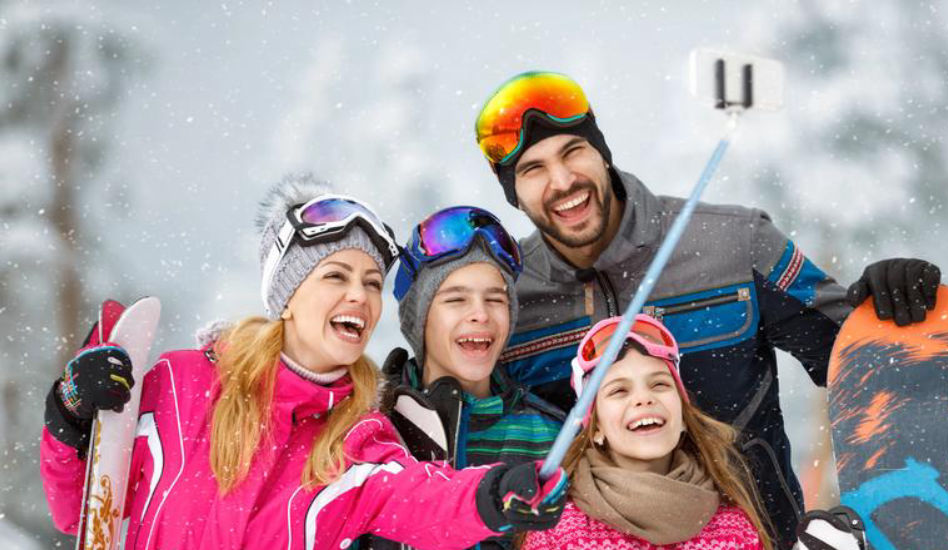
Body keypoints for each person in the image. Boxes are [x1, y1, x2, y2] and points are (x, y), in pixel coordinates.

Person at [473, 71, 942, 546]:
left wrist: (889, 309)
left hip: (756, 538)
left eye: (573, 152)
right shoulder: (509, 300)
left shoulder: (733, 244)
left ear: (601, 151)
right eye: (533, 170)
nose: (562, 181)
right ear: (513, 192)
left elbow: (851, 359)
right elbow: (474, 433)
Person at [40, 176, 565, 549]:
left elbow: (425, 499)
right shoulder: (181, 386)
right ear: (287, 296)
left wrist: (494, 494)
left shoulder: (358, 441)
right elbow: (78, 509)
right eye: (336, 276)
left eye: (372, 283)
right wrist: (69, 412)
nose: (359, 296)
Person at [358, 206, 566, 550]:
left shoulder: (551, 437)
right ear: (420, 319)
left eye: (495, 299)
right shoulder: (368, 428)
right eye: (456, 299)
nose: (480, 314)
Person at [521, 315, 769, 549]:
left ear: (684, 416)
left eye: (659, 384)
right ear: (595, 427)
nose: (643, 398)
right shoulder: (557, 532)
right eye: (619, 390)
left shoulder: (735, 530)